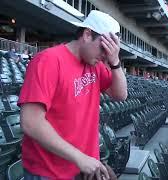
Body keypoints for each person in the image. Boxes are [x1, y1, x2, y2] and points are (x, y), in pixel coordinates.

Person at [18, 10, 127, 179]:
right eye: (103, 48)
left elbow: (120, 95)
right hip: (49, 172)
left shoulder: (95, 65)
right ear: (87, 34)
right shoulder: (48, 61)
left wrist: (115, 62)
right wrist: (79, 157)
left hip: (84, 168)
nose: (105, 55)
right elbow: (31, 122)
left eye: (109, 51)